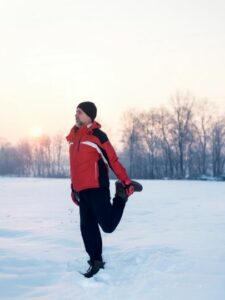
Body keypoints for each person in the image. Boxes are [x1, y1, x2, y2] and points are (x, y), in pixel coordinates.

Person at [66, 101, 142, 278]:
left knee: (107, 226)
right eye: (76, 112)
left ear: (90, 115)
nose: (76, 115)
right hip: (82, 191)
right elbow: (75, 167)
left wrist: (126, 181)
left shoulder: (98, 136)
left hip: (98, 188)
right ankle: (96, 262)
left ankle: (121, 196)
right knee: (88, 228)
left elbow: (113, 160)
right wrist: (73, 188)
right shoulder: (73, 138)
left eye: (80, 112)